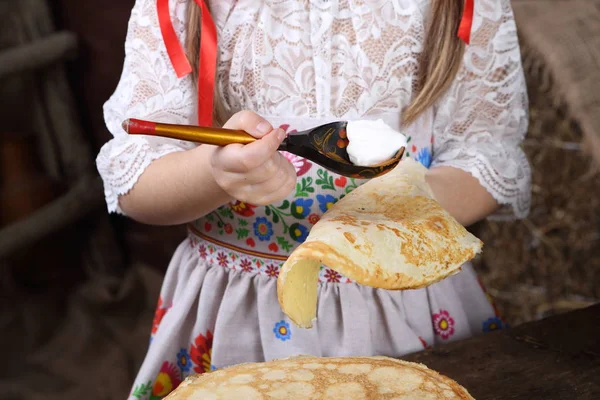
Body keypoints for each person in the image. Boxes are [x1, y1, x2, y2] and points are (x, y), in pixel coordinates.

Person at [96, 0, 531, 398]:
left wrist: (410, 205)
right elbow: (135, 181)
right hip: (236, 312)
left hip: (405, 304)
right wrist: (214, 173)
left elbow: (487, 152)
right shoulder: (182, 6)